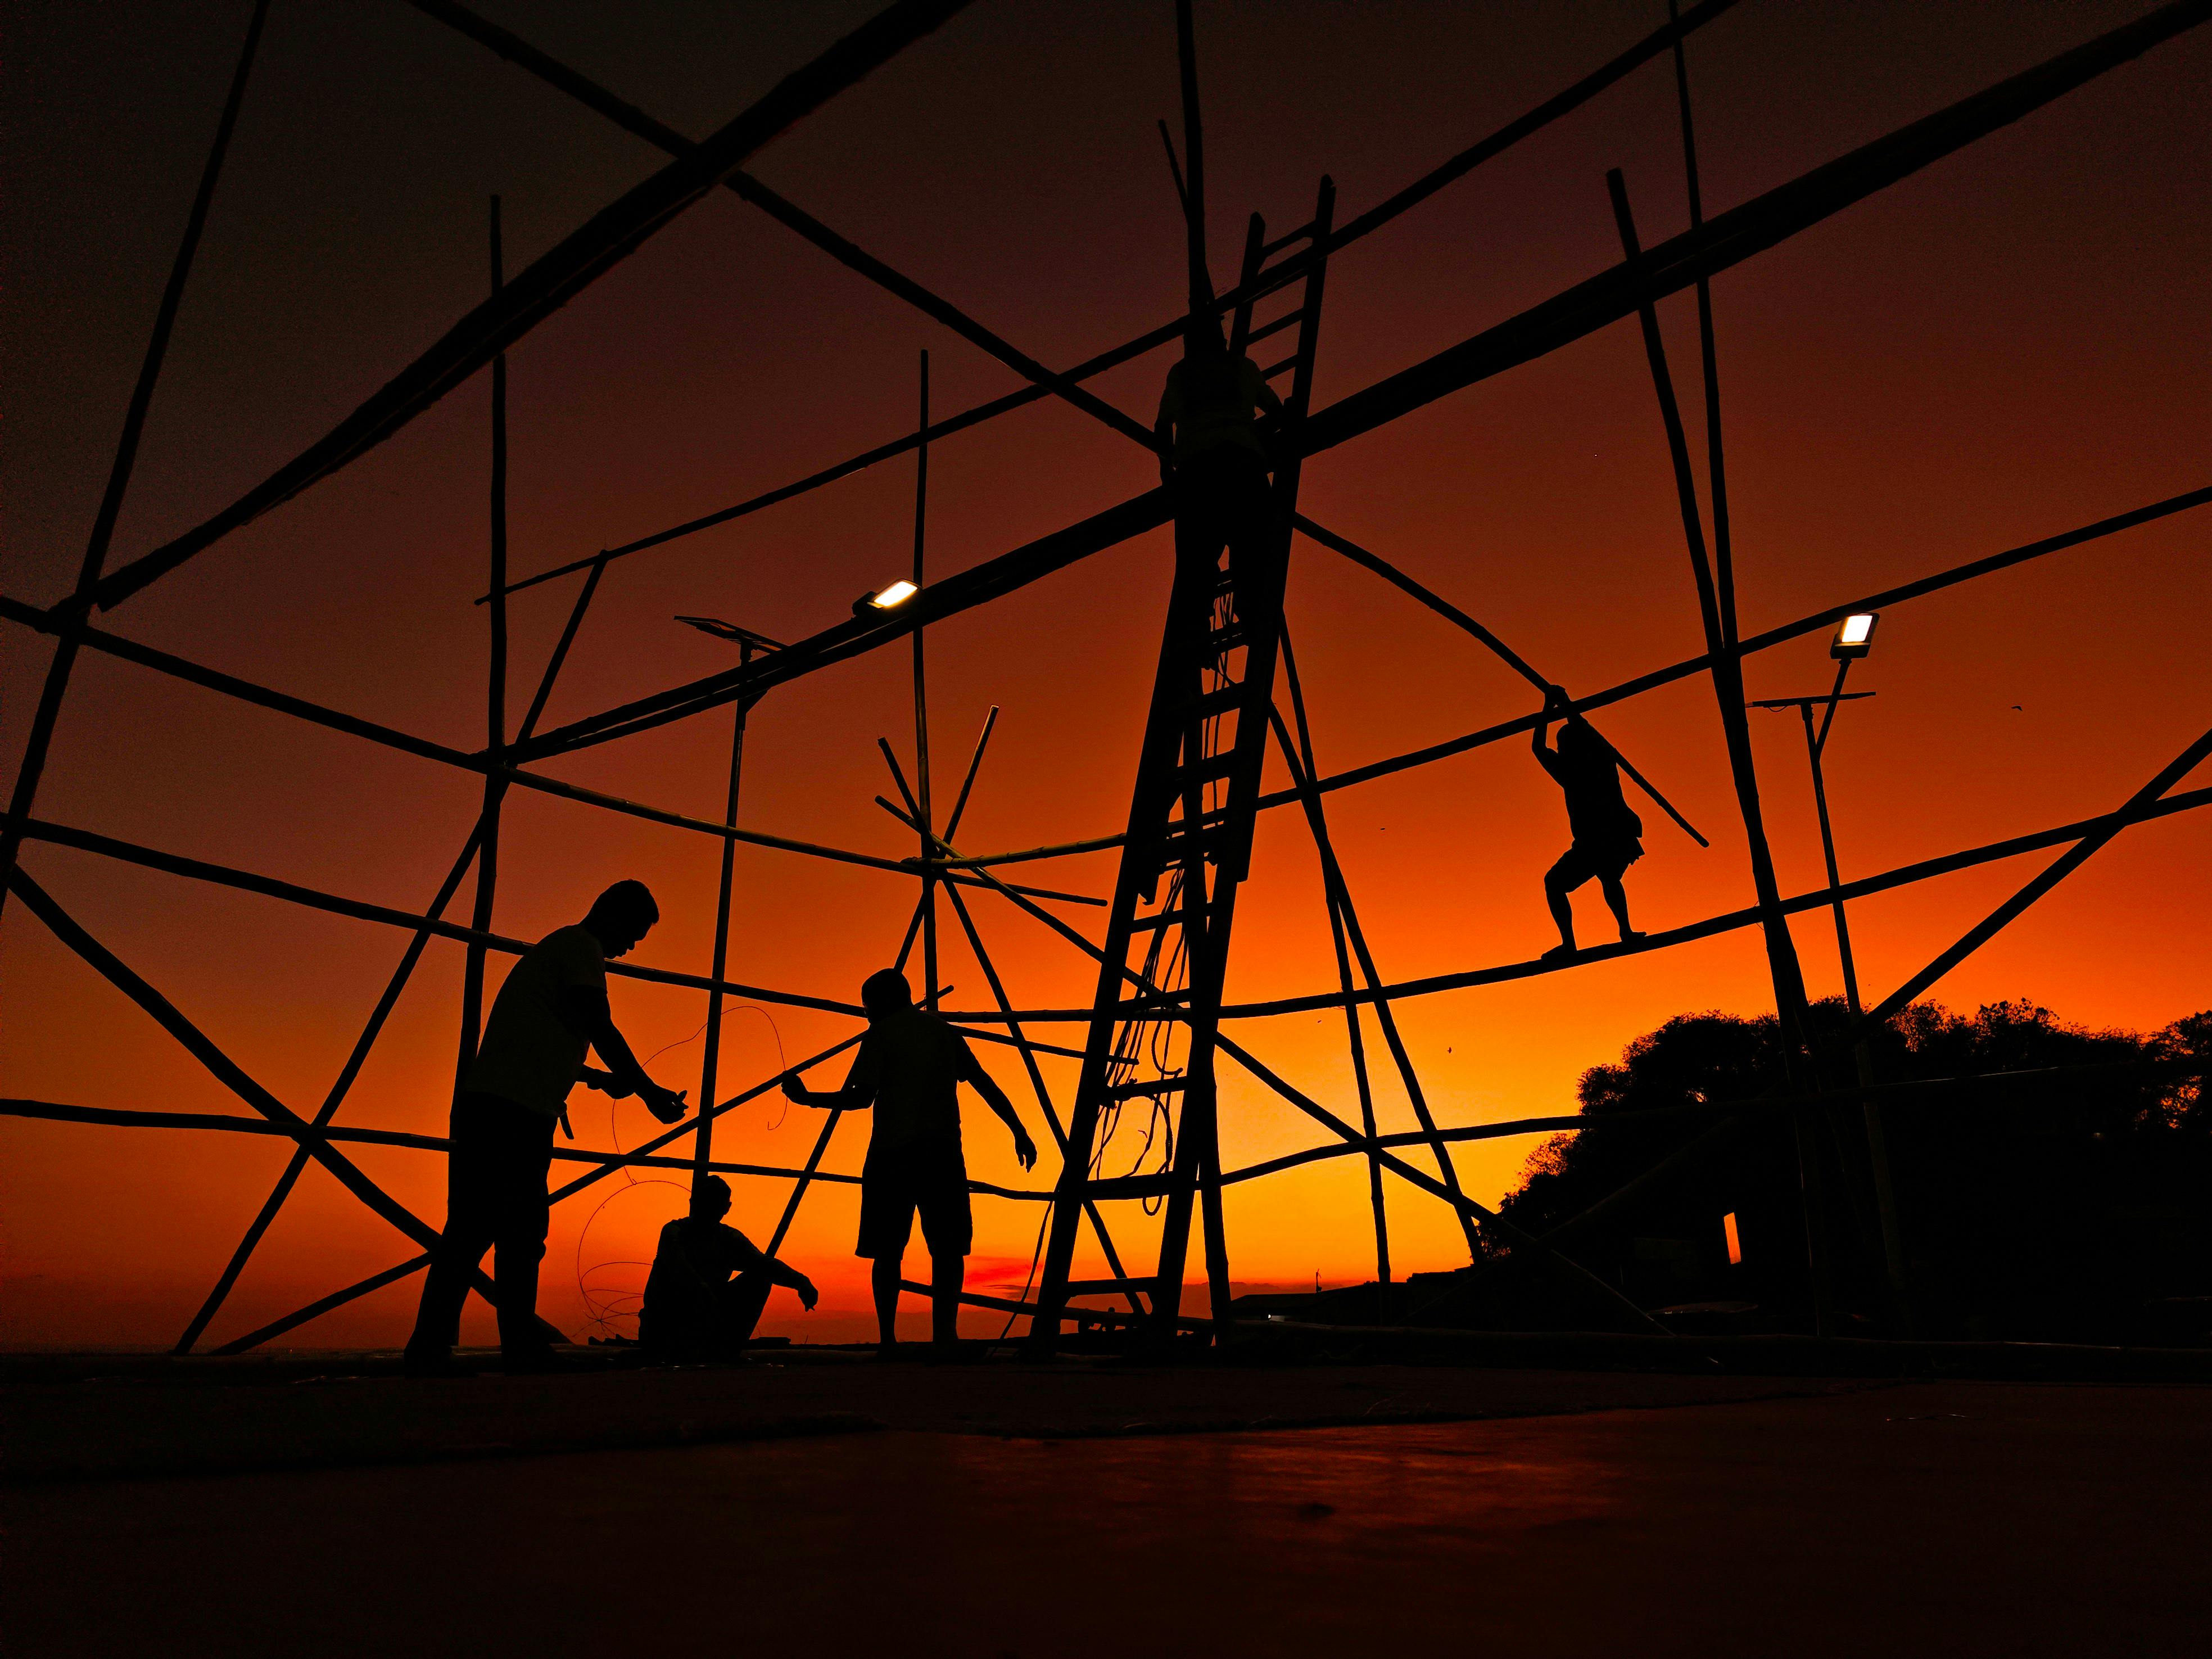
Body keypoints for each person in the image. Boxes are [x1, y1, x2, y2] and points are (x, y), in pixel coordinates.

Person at [404, 880, 687, 1376]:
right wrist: (646, 1089)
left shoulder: (556, 950)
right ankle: (520, 1347)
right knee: (519, 1231)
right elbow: (599, 1024)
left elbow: (542, 1034)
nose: (631, 946)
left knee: (471, 1231)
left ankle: (430, 1347)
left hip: (491, 1105)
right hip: (514, 1113)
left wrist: (600, 1077)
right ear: (612, 915)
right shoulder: (581, 949)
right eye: (635, 932)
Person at [780, 969, 1037, 1357]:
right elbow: (984, 1082)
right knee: (947, 1250)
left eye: (868, 1005)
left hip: (892, 1154)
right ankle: (945, 1337)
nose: (866, 1014)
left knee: (887, 1251)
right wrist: (1018, 1128)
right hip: (942, 1151)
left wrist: (808, 1098)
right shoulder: (944, 1032)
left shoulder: (880, 1034)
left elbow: (859, 1097)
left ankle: (888, 1340)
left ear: (881, 1002)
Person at [1154, 314, 1283, 572]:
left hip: (1197, 473)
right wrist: (1256, 440)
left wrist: (1167, 471)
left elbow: (1163, 426)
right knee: (1254, 565)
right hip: (1244, 469)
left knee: (1195, 569)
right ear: (1221, 339)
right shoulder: (1243, 366)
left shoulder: (1181, 373)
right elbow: (1277, 411)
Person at [639, 1176, 817, 1362]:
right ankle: (709, 1348)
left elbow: (764, 1265)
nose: (710, 1209)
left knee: (760, 1278)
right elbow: (680, 1269)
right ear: (694, 1203)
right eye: (706, 1202)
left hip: (708, 1326)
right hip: (664, 1328)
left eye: (715, 1203)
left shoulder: (729, 1238)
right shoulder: (674, 1232)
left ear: (726, 1207)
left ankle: (725, 1349)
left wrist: (801, 1282)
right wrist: (703, 1291)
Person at [1532, 687, 1647, 961]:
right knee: (1608, 878)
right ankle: (1624, 931)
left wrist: (1550, 707)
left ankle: (1576, 942)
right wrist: (1564, 705)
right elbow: (1580, 728)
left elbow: (1540, 746)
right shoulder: (1603, 760)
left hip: (1605, 835)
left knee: (1561, 882)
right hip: (1612, 835)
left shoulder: (1574, 769)